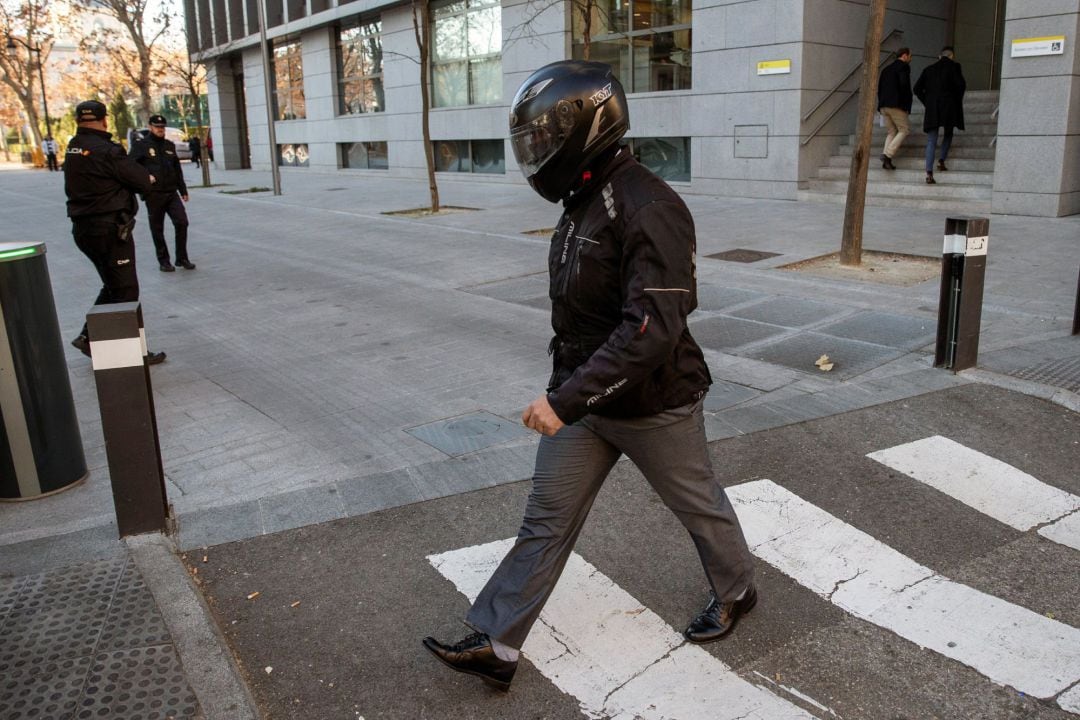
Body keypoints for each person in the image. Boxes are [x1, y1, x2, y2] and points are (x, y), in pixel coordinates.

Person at [422, 60, 757, 692]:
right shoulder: (582, 198)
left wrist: (565, 399)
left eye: (545, 137)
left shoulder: (651, 205)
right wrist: (570, 394)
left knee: (697, 505)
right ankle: (498, 643)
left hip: (656, 403)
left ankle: (737, 589)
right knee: (545, 519)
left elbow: (651, 327)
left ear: (588, 125)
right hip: (584, 403)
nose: (538, 152)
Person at [64, 100, 166, 364]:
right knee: (126, 290)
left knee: (113, 285)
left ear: (78, 120)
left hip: (84, 229)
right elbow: (142, 180)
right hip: (109, 229)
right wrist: (148, 179)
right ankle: (128, 354)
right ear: (104, 120)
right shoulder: (107, 150)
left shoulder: (74, 146)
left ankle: (88, 338)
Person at [130, 114, 195, 272]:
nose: (160, 130)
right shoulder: (141, 145)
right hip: (154, 193)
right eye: (157, 127)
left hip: (171, 192)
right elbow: (130, 166)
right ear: (151, 127)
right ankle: (164, 260)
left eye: (162, 127)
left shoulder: (169, 145)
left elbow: (177, 169)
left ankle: (182, 257)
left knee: (182, 222)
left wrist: (183, 190)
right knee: (157, 228)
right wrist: (145, 176)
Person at [914, 46, 966, 185]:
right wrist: (956, 100)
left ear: (939, 56)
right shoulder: (954, 67)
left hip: (932, 108)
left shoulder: (928, 69)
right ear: (951, 56)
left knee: (931, 140)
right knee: (948, 133)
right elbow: (961, 85)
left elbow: (916, 88)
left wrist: (928, 101)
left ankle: (929, 173)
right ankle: (941, 160)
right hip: (949, 106)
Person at [877, 47, 912, 170]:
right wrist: (906, 104)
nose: (910, 58)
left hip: (883, 105)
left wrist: (881, 104)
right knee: (904, 130)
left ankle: (886, 160)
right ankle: (887, 155)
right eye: (909, 56)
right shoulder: (903, 67)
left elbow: (879, 88)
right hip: (896, 105)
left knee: (891, 132)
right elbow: (904, 86)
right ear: (904, 56)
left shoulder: (886, 69)